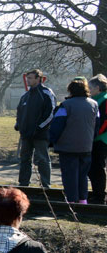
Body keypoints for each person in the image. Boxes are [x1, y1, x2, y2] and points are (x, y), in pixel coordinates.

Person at [49, 78, 99, 203]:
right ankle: (83, 201)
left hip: (68, 147)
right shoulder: (94, 104)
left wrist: (51, 141)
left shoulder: (66, 105)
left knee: (70, 176)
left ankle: (71, 203)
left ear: (70, 91)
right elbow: (96, 125)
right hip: (86, 147)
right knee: (82, 176)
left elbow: (57, 126)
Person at [15, 69, 56, 188]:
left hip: (40, 134)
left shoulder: (46, 93)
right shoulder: (25, 95)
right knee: (25, 159)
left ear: (38, 79)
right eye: (27, 78)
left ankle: (45, 185)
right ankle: (23, 184)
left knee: (43, 159)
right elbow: (19, 111)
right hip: (26, 134)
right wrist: (18, 124)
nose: (28, 80)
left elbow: (50, 113)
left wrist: (40, 127)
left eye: (31, 78)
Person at [88, 74, 107, 204]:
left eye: (91, 87)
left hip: (101, 139)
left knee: (98, 168)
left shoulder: (104, 100)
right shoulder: (96, 99)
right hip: (95, 138)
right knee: (93, 168)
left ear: (98, 88)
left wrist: (95, 135)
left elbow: (105, 122)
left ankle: (99, 196)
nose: (89, 90)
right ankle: (96, 193)